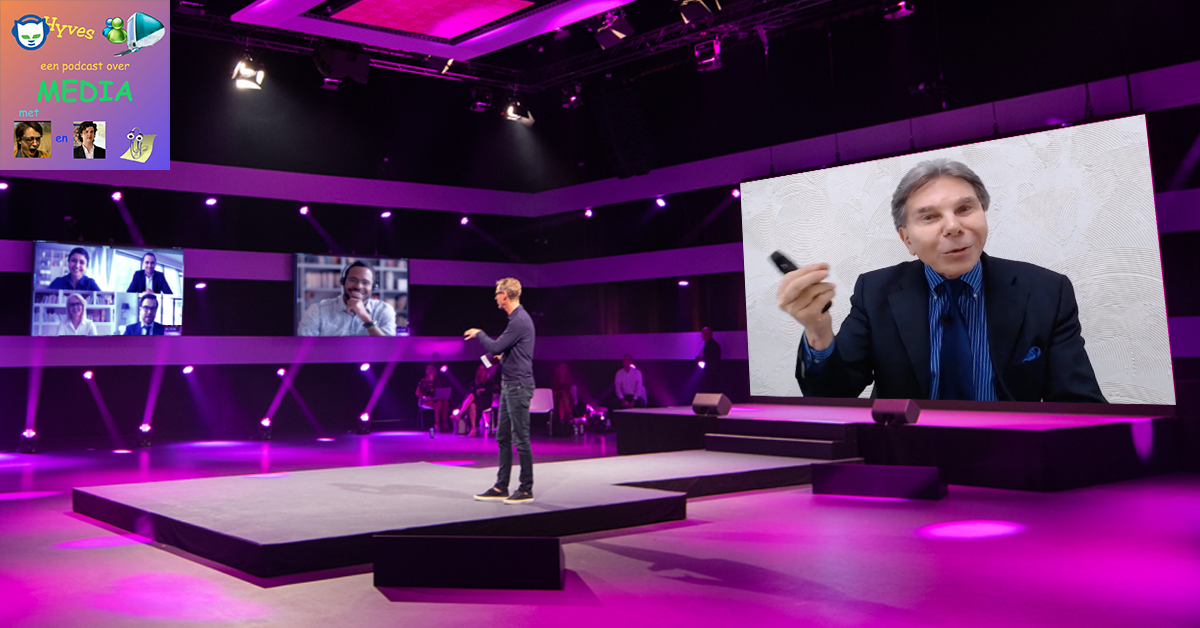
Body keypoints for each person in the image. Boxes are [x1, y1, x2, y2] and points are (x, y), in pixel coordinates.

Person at [777, 158, 1106, 403]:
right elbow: (832, 395)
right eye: (929, 216)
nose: (953, 227)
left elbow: (1079, 405)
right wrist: (818, 330)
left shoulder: (1046, 291)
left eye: (965, 209)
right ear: (907, 239)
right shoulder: (875, 292)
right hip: (907, 461)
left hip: (1013, 458)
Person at [465, 277, 536, 504]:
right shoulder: (515, 320)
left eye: (497, 293)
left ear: (505, 295)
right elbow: (511, 352)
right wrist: (501, 358)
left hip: (518, 386)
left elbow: (495, 345)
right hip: (509, 385)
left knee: (520, 438)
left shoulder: (519, 320)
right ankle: (501, 486)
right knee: (503, 436)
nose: (495, 297)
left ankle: (526, 488)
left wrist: (479, 333)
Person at [297, 261, 396, 336]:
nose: (358, 286)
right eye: (352, 280)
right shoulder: (317, 311)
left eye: (365, 282)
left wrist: (366, 318)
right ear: (343, 282)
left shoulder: (384, 310)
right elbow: (303, 349)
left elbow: (389, 349)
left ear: (373, 287)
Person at [457, 364, 498, 437]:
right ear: (477, 371)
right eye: (480, 370)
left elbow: (488, 393)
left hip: (485, 402)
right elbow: (469, 393)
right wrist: (478, 392)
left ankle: (460, 414)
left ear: (486, 371)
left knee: (472, 396)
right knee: (472, 404)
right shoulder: (473, 383)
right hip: (476, 402)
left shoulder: (489, 382)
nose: (481, 371)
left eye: (483, 370)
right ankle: (474, 430)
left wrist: (477, 392)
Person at [415, 363, 451, 432]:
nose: (430, 371)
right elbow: (417, 392)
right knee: (439, 403)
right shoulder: (423, 381)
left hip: (436, 399)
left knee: (445, 401)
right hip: (427, 400)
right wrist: (424, 397)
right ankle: (437, 424)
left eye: (431, 369)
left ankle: (444, 423)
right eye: (428, 369)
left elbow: (439, 391)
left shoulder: (437, 381)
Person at [551, 362, 574, 427]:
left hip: (566, 395)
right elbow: (553, 388)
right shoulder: (555, 377)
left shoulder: (568, 377)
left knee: (562, 399)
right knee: (562, 396)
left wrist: (562, 391)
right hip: (556, 395)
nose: (563, 369)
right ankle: (569, 413)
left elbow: (568, 388)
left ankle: (561, 420)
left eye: (564, 367)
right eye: (561, 367)